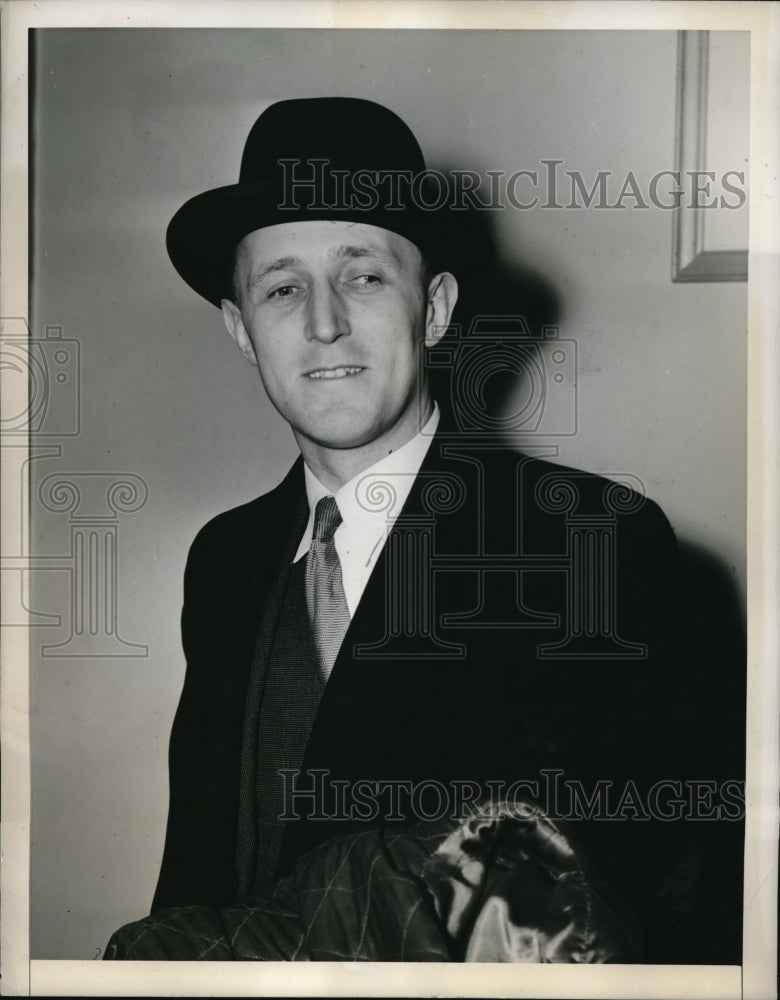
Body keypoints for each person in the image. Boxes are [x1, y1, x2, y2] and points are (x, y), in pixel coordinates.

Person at [149, 97, 744, 963]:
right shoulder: (225, 557)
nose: (323, 323)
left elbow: (655, 897)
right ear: (242, 329)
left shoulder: (592, 543)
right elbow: (200, 867)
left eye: (363, 276)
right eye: (283, 288)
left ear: (434, 311)